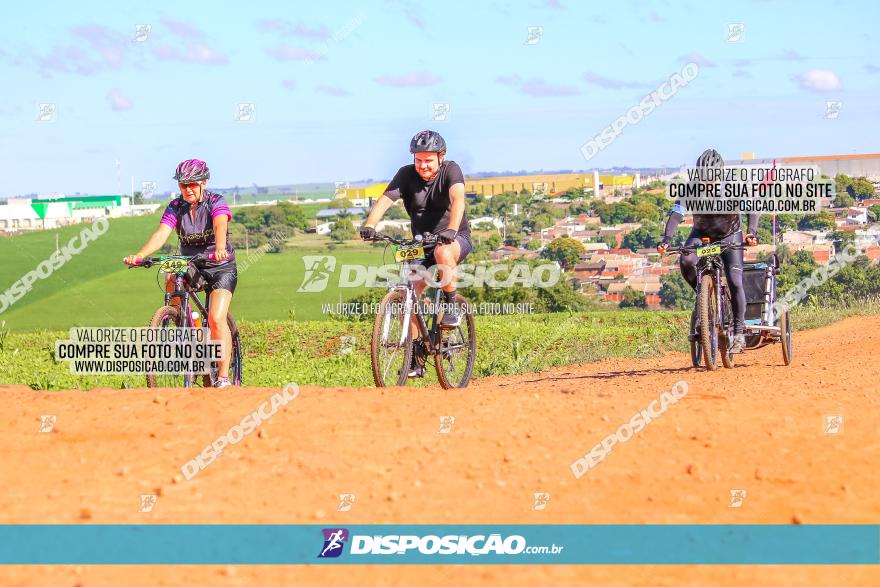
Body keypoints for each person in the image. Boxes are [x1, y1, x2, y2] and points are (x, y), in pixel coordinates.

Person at [359, 130, 473, 376]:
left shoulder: (451, 170)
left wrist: (452, 229)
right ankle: (416, 354)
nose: (423, 165)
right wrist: (370, 225)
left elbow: (458, 199)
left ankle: (451, 306)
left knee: (443, 254)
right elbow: (385, 201)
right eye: (418, 160)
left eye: (428, 160)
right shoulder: (405, 174)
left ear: (440, 157)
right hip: (422, 242)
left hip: (454, 238)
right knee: (408, 295)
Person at [123, 159, 238, 387]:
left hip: (219, 265)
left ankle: (223, 377)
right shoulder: (176, 206)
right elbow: (161, 234)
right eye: (183, 185)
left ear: (204, 183)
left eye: (192, 184)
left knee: (216, 318)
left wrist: (220, 247)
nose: (188, 189)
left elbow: (220, 225)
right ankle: (178, 319)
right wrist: (140, 255)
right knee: (169, 272)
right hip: (192, 262)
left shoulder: (216, 202)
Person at [657, 148, 758, 354]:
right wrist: (667, 239)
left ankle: (738, 332)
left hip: (730, 235)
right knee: (686, 261)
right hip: (702, 235)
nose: (706, 182)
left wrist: (752, 232)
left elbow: (752, 208)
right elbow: (676, 215)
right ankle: (704, 296)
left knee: (735, 280)